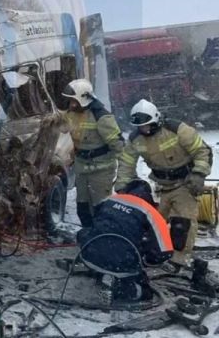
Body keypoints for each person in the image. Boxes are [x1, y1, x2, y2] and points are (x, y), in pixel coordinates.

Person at [115, 99, 213, 272]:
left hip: (185, 183)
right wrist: (122, 187)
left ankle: (179, 260)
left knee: (182, 223)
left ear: (156, 120)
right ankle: (154, 252)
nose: (145, 130)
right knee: (153, 222)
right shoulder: (135, 139)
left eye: (148, 126)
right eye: (141, 127)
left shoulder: (177, 130)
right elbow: (126, 163)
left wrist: (198, 174)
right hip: (159, 185)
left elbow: (202, 151)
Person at [76, 179, 173, 302]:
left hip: (89, 255)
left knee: (91, 236)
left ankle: (100, 272)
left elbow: (92, 224)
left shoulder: (109, 199)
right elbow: (165, 252)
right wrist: (145, 260)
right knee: (146, 293)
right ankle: (123, 290)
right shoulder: (151, 212)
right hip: (122, 263)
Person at [60, 78, 125, 227]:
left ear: (82, 99)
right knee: (83, 208)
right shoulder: (71, 114)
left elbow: (119, 146)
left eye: (73, 101)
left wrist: (124, 175)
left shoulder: (101, 117)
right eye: (69, 101)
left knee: (101, 208)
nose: (71, 104)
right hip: (82, 168)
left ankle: (104, 237)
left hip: (101, 169)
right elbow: (62, 127)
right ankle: (89, 236)